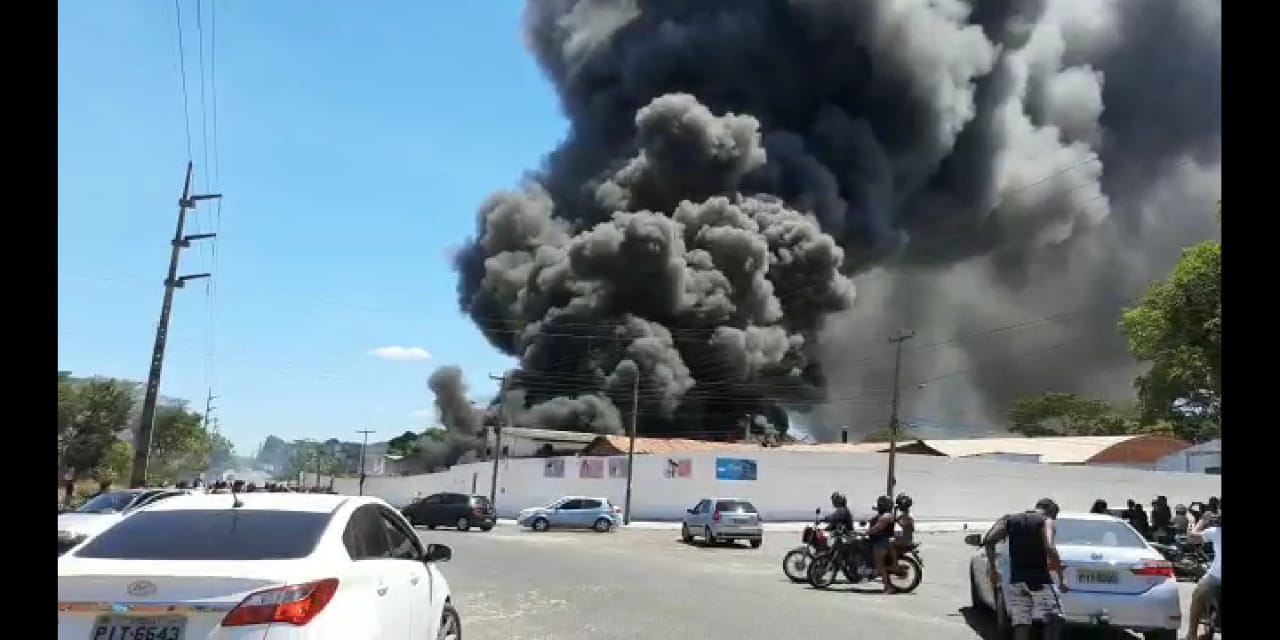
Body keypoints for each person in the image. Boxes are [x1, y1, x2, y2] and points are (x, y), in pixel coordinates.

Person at [981, 498, 1067, 640]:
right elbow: (1050, 547)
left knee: (1022, 622)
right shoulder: (1046, 521)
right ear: (1051, 512)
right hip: (1039, 581)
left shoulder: (1010, 520)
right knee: (1055, 618)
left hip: (1016, 581)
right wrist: (1062, 577)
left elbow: (989, 540)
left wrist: (993, 569)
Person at [1185, 507, 1220, 640]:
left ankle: (1191, 634)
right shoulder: (1216, 531)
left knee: (1197, 596)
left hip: (1216, 577)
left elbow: (1191, 538)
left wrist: (1199, 521)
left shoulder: (1216, 531)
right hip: (1216, 577)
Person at [867, 495, 898, 594]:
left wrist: (864, 532)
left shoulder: (886, 516)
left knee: (880, 566)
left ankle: (888, 587)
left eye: (880, 504)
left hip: (881, 543)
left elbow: (877, 528)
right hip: (882, 541)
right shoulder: (887, 514)